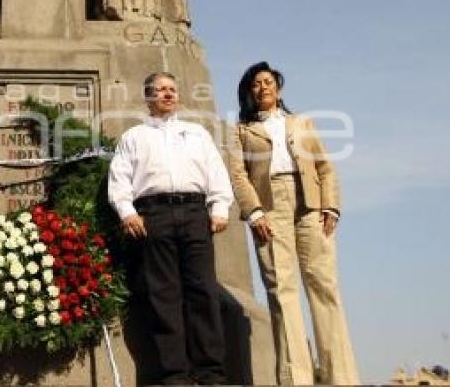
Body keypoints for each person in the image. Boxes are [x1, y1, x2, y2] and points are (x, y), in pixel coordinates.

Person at [228, 61, 359, 385]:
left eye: (268, 81)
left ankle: (340, 377)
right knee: (282, 290)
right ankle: (295, 379)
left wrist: (331, 206)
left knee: (324, 285)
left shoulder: (302, 123)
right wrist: (254, 211)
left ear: (279, 88)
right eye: (256, 83)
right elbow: (238, 174)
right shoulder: (240, 130)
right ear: (249, 92)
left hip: (310, 205)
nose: (263, 87)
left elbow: (325, 167)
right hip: (270, 206)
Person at [108, 72, 232, 385]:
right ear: (148, 97)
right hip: (154, 215)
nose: (168, 94)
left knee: (203, 291)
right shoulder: (133, 137)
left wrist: (219, 207)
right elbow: (119, 178)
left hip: (195, 213)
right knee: (163, 295)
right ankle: (174, 374)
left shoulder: (197, 133)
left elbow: (216, 171)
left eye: (172, 90)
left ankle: (210, 372)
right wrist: (126, 211)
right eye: (160, 90)